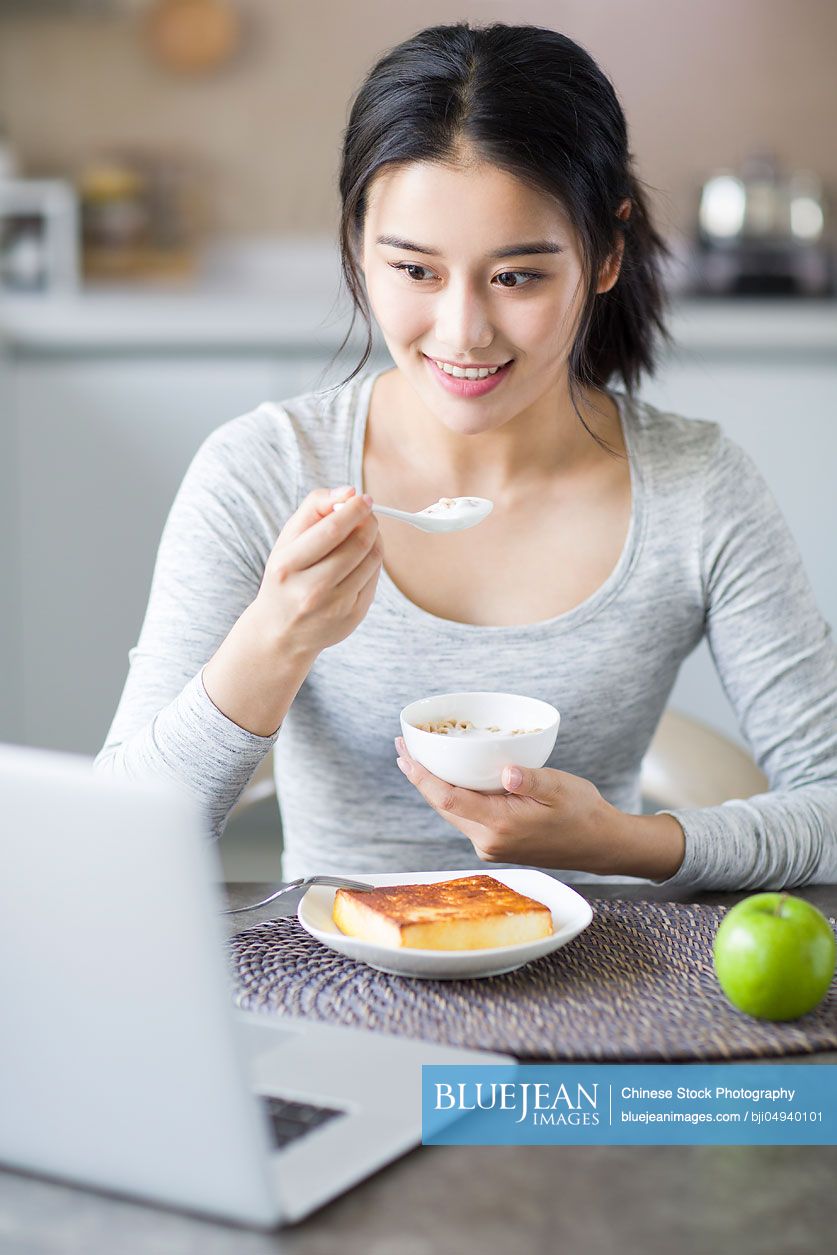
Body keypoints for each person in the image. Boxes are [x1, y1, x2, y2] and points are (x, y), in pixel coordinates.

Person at [95, 22, 837, 890]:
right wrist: (274, 638)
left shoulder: (698, 488)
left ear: (606, 253)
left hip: (606, 997)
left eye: (516, 276)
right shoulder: (262, 470)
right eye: (414, 271)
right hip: (334, 991)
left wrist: (623, 842)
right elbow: (121, 837)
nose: (462, 333)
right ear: (356, 248)